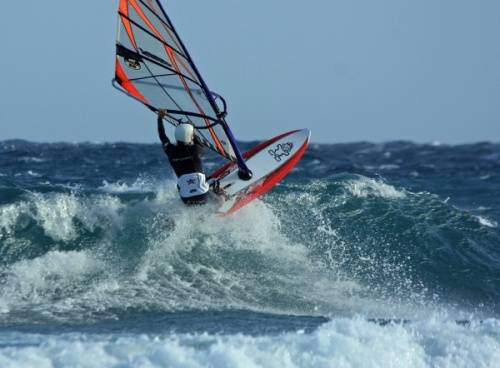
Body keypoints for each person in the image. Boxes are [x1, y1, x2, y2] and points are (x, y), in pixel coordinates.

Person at [156, 109, 223, 206]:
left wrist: (160, 118)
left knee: (190, 202)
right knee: (221, 197)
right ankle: (220, 203)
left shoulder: (170, 151)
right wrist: (192, 130)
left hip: (186, 197)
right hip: (202, 193)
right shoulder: (196, 149)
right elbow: (200, 145)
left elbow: (162, 136)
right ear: (190, 136)